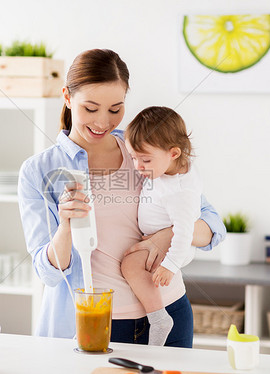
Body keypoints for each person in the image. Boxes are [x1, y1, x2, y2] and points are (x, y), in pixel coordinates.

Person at [17, 49, 226, 347]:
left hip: (170, 311)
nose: (103, 122)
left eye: (115, 109)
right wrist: (65, 225)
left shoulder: (143, 146)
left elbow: (212, 226)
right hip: (99, 323)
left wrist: (164, 237)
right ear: (67, 97)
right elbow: (48, 273)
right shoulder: (39, 171)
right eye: (90, 109)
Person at [121, 106, 202, 346]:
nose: (138, 166)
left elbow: (185, 231)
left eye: (145, 160)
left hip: (174, 248)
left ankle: (158, 318)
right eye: (133, 158)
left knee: (130, 264)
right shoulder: (166, 170)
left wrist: (169, 265)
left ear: (174, 153)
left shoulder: (178, 191)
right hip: (159, 239)